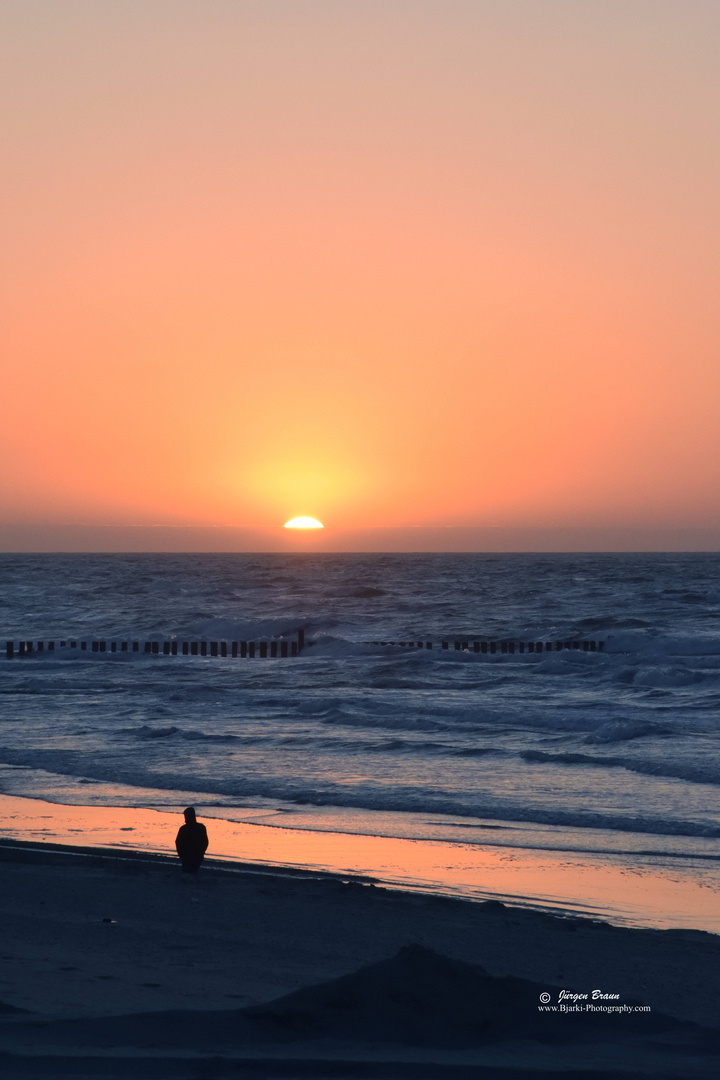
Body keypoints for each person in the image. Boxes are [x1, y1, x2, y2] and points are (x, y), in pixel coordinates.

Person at [175, 806, 209, 873]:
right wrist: (202, 852)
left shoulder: (183, 829)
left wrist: (180, 854)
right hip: (196, 855)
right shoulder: (201, 827)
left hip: (188, 855)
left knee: (188, 871)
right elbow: (205, 841)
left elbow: (178, 842)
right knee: (193, 871)